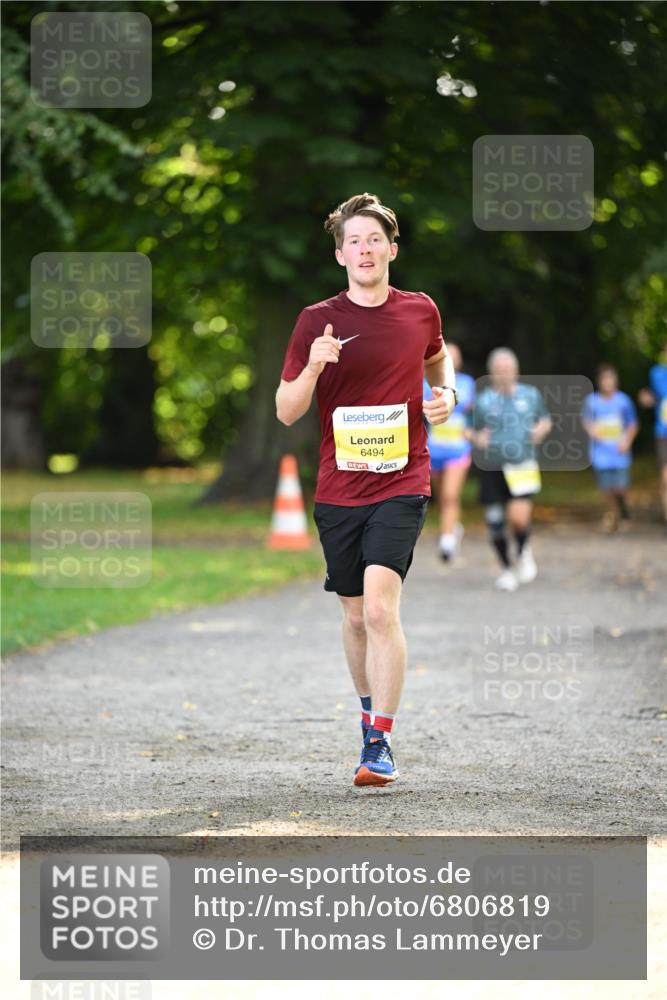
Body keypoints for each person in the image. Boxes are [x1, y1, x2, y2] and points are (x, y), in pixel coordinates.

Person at [275, 193, 455, 786]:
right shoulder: (315, 321)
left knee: (380, 608)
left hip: (404, 479)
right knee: (354, 618)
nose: (365, 249)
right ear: (339, 254)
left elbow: (437, 360)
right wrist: (313, 367)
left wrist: (446, 396)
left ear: (392, 249)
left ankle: (380, 742)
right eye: (354, 240)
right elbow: (285, 412)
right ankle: (365, 716)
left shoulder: (419, 310)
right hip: (338, 486)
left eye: (375, 239)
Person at [469, 348, 552, 592]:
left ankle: (524, 550)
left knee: (519, 517)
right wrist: (476, 438)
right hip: (492, 466)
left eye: (508, 369)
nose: (504, 374)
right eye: (499, 370)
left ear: (516, 371)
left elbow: (545, 420)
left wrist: (541, 430)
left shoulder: (531, 395)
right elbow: (468, 429)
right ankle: (506, 569)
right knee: (494, 521)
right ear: (491, 373)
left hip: (522, 464)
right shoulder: (483, 401)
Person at [423, 343, 475, 560]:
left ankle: (447, 542)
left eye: (455, 358)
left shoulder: (466, 383)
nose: (451, 362)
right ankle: (453, 527)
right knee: (442, 497)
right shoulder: (425, 382)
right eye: (448, 357)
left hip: (458, 450)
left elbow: (470, 407)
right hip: (433, 450)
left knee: (450, 495)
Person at [582, 364, 639, 533]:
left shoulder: (624, 401)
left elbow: (633, 424)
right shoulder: (592, 402)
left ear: (616, 381)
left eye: (610, 379)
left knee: (620, 487)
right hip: (601, 453)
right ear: (599, 382)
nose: (607, 383)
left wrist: (627, 441)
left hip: (619, 452)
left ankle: (623, 508)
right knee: (608, 488)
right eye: (604, 379)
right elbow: (586, 421)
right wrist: (593, 431)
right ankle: (616, 516)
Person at [638, 343, 667, 530]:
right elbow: (653, 396)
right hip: (663, 433)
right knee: (665, 479)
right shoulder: (656, 373)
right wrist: (646, 398)